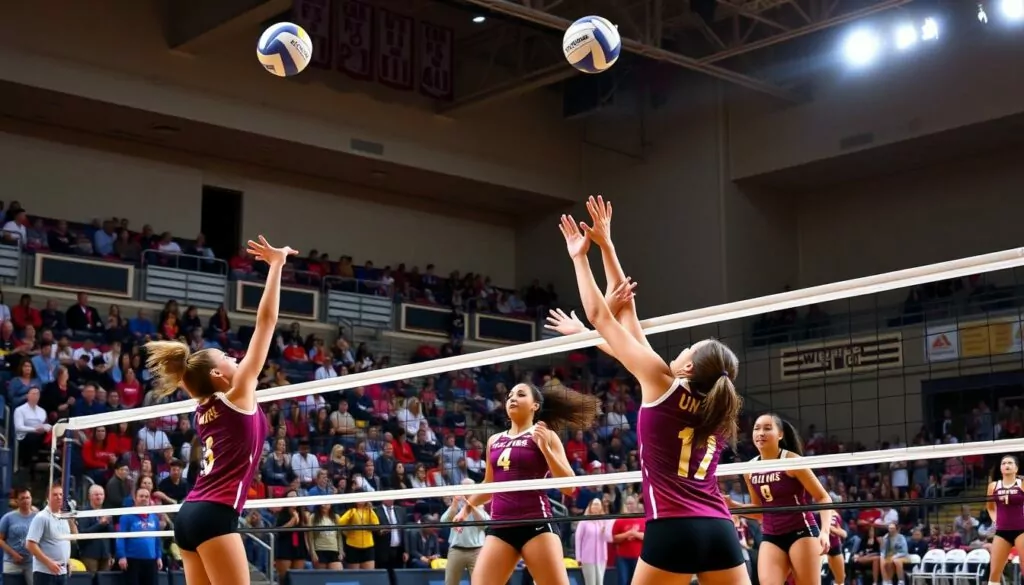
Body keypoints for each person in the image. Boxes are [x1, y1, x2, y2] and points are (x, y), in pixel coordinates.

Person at [556, 197, 749, 585]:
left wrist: (581, 257)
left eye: (688, 349)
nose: (680, 351)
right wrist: (608, 248)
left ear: (689, 366)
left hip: (673, 528)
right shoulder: (715, 406)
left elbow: (607, 317)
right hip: (720, 530)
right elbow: (627, 316)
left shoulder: (661, 382)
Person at [156, 235, 294, 585]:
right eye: (230, 358)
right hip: (215, 515)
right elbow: (266, 323)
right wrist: (276, 265)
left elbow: (191, 373)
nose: (237, 359)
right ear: (219, 374)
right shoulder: (238, 392)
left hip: (189, 516)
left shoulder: (202, 402)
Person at [451, 380, 599, 585]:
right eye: (510, 395)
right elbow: (489, 485)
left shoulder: (545, 434)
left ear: (535, 405)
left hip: (536, 524)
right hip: (501, 526)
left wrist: (545, 449)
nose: (512, 398)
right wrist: (466, 508)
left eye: (520, 394)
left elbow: (569, 486)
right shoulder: (494, 440)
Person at [729, 414, 832, 585]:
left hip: (801, 532)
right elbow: (759, 510)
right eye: (757, 428)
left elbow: (823, 497)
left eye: (767, 428)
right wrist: (734, 506)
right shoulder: (749, 469)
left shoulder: (792, 461)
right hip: (771, 535)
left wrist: (825, 532)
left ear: (780, 435)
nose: (760, 433)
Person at [441, 479, 490, 585]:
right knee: (450, 582)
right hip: (456, 550)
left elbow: (485, 524)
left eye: (470, 488)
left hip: (476, 551)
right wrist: (454, 503)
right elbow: (443, 521)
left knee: (480, 582)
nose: (467, 491)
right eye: (464, 488)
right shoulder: (456, 507)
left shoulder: (480, 507)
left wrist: (470, 505)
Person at [986, 454, 1024, 585]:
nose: (1006, 465)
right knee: (994, 573)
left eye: (1010, 463)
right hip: (1002, 531)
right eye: (1004, 463)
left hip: (1021, 530)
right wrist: (996, 521)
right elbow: (990, 507)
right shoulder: (993, 486)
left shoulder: (1022, 484)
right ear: (1000, 468)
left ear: (1016, 468)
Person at [25, 484, 73, 585]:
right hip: (44, 573)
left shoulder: (64, 517)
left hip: (62, 571)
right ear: (48, 498)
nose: (59, 497)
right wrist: (48, 563)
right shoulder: (41, 517)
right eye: (55, 495)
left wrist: (68, 560)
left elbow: (68, 540)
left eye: (61, 494)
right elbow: (30, 544)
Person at [116, 486, 164, 585]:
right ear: (135, 498)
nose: (144, 498)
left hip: (151, 560)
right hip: (132, 560)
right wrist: (122, 556)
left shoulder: (154, 517)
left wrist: (159, 556)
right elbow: (120, 537)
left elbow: (157, 539)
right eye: (141, 496)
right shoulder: (126, 516)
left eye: (146, 496)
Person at [0, 487, 37, 584]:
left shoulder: (38, 517)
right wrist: (13, 554)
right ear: (17, 501)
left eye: (28, 498)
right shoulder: (8, 518)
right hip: (11, 563)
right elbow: (0, 539)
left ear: (31, 499)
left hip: (32, 563)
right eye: (22, 498)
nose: (26, 500)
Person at [574, 498, 612, 585]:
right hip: (587, 558)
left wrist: (604, 532)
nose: (596, 506)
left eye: (598, 504)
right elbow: (578, 539)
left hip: (601, 557)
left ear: (601, 507)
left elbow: (609, 538)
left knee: (600, 582)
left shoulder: (604, 521)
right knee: (590, 583)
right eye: (594, 504)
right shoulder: (584, 522)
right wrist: (578, 557)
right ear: (590, 506)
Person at [823, 511, 846, 585]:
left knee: (840, 579)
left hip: (833, 547)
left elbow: (842, 533)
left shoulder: (834, 515)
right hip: (820, 547)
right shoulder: (815, 513)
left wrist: (837, 531)